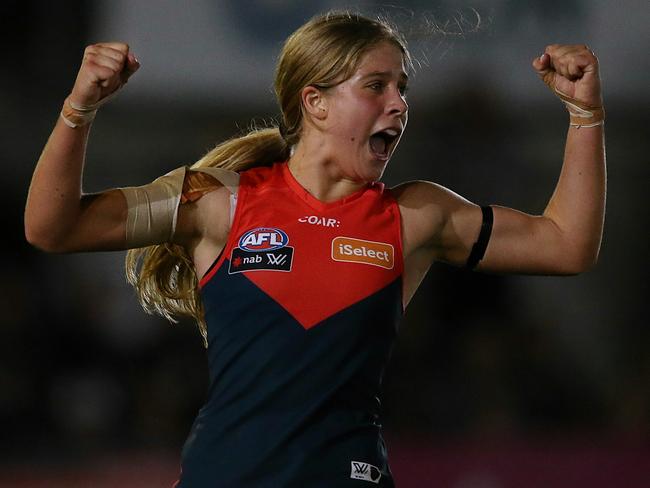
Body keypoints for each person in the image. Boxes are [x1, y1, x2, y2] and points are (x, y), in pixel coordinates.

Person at [24, 11, 605, 488]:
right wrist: (80, 109)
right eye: (377, 86)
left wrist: (585, 115)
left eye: (402, 88)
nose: (400, 104)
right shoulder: (218, 201)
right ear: (316, 102)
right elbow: (53, 228)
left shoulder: (416, 216)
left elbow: (565, 245)